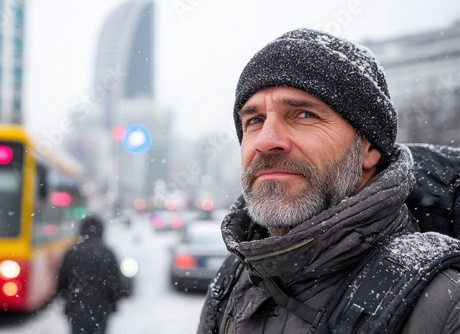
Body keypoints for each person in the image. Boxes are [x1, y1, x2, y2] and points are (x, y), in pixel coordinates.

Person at [197, 28, 460, 333]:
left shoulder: (444, 303)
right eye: (254, 120)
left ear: (369, 148)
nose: (266, 141)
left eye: (304, 115)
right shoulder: (232, 280)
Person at [58, 215, 123, 334]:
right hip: (101, 309)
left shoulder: (72, 252)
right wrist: (113, 301)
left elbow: (61, 282)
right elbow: (116, 284)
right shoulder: (107, 253)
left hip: (77, 308)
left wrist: (68, 297)